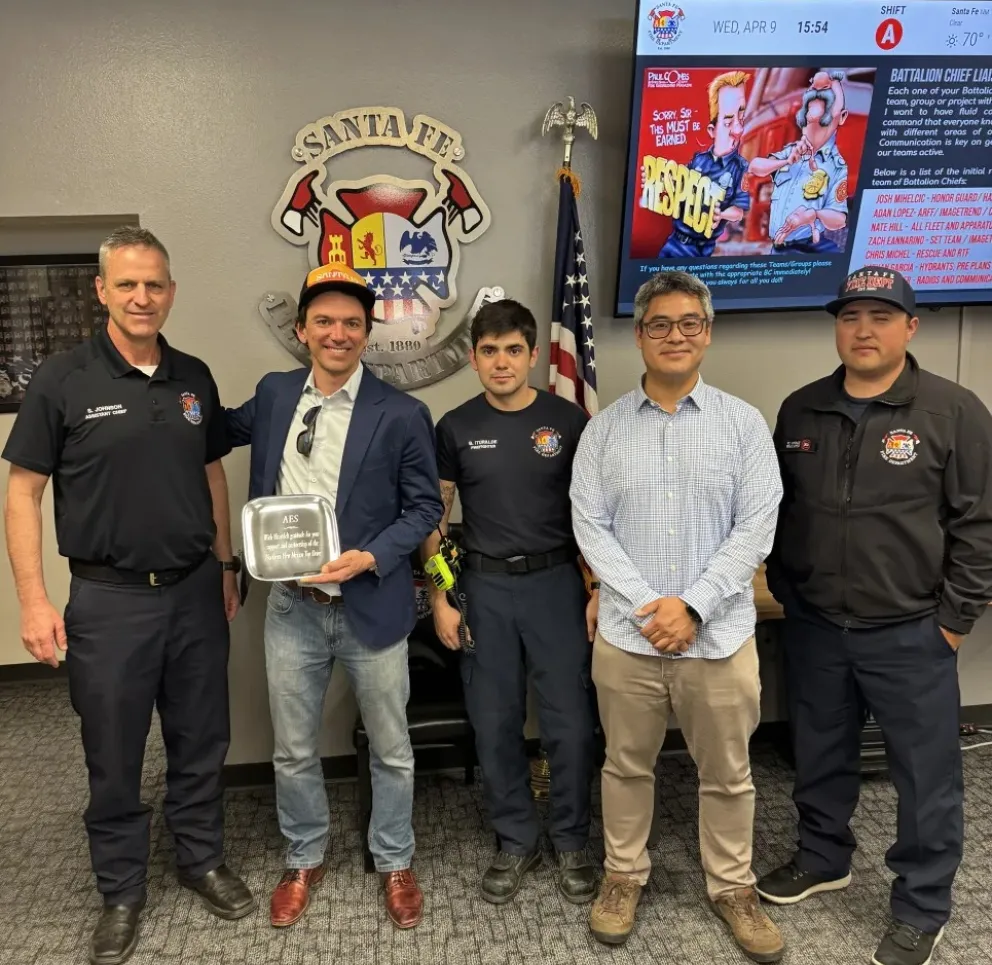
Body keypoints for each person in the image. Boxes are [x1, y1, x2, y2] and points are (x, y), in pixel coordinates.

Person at [2, 226, 253, 965]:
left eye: (156, 284)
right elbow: (23, 494)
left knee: (201, 738)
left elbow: (210, 473)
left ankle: (200, 857)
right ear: (102, 290)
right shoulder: (63, 378)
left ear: (170, 291)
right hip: (108, 601)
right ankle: (120, 889)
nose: (143, 297)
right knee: (112, 751)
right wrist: (34, 600)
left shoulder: (192, 376)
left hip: (195, 593)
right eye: (128, 284)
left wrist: (226, 562)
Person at [758, 267, 992, 965]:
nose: (864, 329)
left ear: (910, 327)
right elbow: (779, 514)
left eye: (881, 316)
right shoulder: (801, 410)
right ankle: (824, 855)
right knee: (820, 753)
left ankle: (922, 902)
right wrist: (788, 591)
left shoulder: (954, 411)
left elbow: (980, 524)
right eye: (852, 315)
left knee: (926, 775)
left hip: (912, 630)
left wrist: (953, 619)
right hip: (817, 625)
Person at [569, 270, 784, 961]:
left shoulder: (743, 424)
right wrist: (647, 606)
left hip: (719, 637)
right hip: (629, 641)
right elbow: (590, 527)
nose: (675, 335)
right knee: (625, 765)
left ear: (707, 332)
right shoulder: (602, 431)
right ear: (638, 336)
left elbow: (756, 527)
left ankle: (733, 887)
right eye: (659, 323)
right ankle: (623, 875)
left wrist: (691, 605)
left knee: (729, 773)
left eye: (688, 322)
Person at [225, 263, 442, 931]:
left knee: (391, 746)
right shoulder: (274, 392)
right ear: (302, 329)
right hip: (291, 607)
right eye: (325, 320)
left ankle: (395, 857)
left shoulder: (403, 413)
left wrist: (374, 553)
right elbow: (208, 428)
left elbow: (424, 505)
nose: (338, 332)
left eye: (352, 322)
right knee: (292, 746)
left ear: (367, 331)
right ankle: (303, 853)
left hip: (371, 604)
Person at [423, 299, 598, 906]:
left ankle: (572, 838)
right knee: (494, 722)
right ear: (474, 359)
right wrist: (442, 596)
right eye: (490, 352)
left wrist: (596, 589)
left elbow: (592, 516)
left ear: (533, 355)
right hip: (484, 587)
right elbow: (436, 520)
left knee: (570, 724)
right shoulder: (455, 427)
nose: (502, 363)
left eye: (514, 350)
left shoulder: (569, 421)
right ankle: (515, 840)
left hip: (556, 586)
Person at [748, 70, 849, 253]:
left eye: (823, 122)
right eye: (809, 120)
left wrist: (814, 215)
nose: (813, 129)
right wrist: (784, 161)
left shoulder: (836, 165)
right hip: (779, 249)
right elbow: (756, 167)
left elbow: (839, 219)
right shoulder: (789, 152)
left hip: (814, 250)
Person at [659, 70, 751, 259]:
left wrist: (722, 215)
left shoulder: (741, 168)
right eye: (728, 122)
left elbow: (738, 212)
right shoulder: (698, 160)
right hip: (674, 244)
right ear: (712, 130)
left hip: (702, 252)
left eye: (741, 119)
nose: (738, 129)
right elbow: (677, 190)